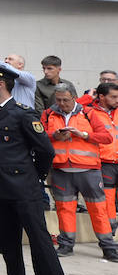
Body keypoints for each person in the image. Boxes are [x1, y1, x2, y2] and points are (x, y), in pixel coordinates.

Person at [0, 60, 68, 275]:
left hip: (24, 189)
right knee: (8, 243)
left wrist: (34, 178)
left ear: (1, 82)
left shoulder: (22, 113)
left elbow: (45, 150)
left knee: (40, 244)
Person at [43, 83, 118, 260]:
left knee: (98, 209)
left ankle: (108, 247)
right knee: (64, 209)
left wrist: (82, 134)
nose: (62, 103)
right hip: (61, 169)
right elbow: (39, 135)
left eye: (66, 100)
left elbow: (106, 137)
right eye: (58, 100)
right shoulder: (48, 114)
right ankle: (66, 245)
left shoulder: (89, 113)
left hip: (88, 170)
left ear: (74, 98)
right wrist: (55, 136)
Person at [83, 82, 118, 225]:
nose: (117, 100)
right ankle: (110, 234)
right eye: (114, 97)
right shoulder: (88, 112)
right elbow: (66, 108)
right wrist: (86, 98)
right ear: (101, 96)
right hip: (105, 162)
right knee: (108, 200)